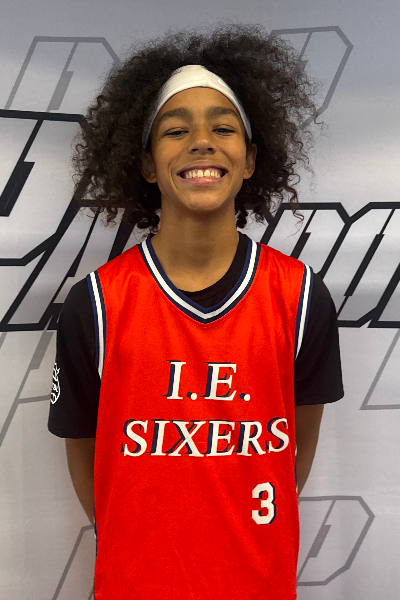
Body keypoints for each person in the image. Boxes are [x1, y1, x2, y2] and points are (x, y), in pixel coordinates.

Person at [48, 24, 343, 600]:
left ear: (250, 159)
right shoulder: (97, 304)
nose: (202, 142)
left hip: (259, 584)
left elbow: (296, 444)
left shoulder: (301, 295)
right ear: (147, 164)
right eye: (176, 130)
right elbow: (85, 453)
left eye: (223, 128)